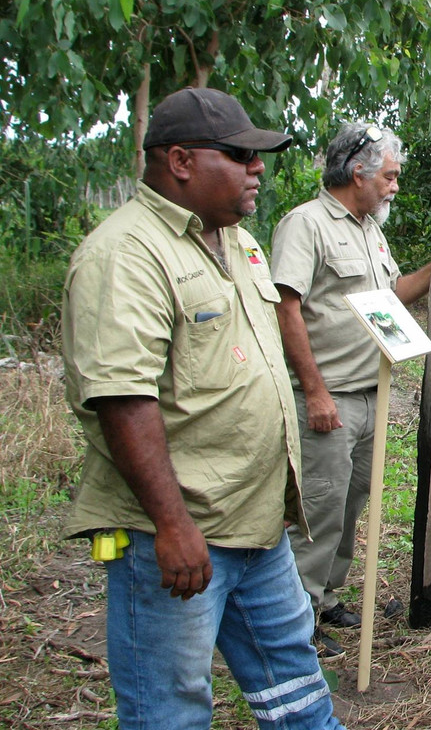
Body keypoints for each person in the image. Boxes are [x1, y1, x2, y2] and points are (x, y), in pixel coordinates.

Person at [61, 87, 343, 729]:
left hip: (256, 521)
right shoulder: (126, 256)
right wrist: (172, 527)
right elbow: (122, 399)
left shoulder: (237, 242)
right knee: (171, 709)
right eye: (241, 155)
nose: (258, 169)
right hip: (183, 533)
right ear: (181, 160)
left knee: (296, 688)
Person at [271, 122, 431, 658]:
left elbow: (393, 295)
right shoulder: (305, 225)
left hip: (371, 393)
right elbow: (286, 308)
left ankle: (326, 595)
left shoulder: (370, 230)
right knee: (317, 508)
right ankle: (296, 619)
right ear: (356, 171)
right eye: (389, 176)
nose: (394, 187)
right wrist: (314, 392)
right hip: (327, 397)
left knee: (349, 503)